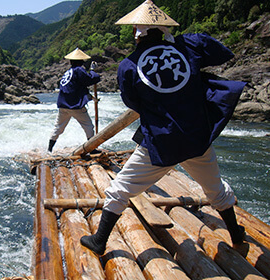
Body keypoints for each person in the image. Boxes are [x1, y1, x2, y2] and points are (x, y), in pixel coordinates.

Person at [80, 0, 247, 255]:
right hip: (196, 137)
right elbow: (222, 52)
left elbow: (132, 102)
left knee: (119, 190)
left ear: (137, 32)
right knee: (216, 190)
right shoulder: (188, 45)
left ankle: (100, 241)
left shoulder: (128, 65)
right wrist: (183, 43)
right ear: (163, 28)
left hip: (160, 143)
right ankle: (237, 237)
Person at [48, 48, 101, 153]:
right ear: (81, 61)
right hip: (74, 106)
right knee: (88, 126)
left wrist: (91, 98)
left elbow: (76, 89)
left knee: (58, 128)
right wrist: (93, 70)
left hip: (63, 105)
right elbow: (90, 80)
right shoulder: (79, 70)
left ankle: (49, 149)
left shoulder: (68, 72)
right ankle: (92, 149)